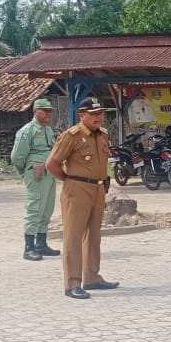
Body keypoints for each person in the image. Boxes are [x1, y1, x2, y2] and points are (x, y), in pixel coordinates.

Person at [45, 97, 119, 299]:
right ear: (82, 115)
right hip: (77, 189)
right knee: (73, 237)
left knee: (94, 236)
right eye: (93, 114)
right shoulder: (72, 136)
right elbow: (52, 164)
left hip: (98, 189)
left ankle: (92, 277)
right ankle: (72, 283)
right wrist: (70, 181)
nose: (99, 117)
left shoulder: (102, 135)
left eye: (101, 113)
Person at [10, 98, 60, 262]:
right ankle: (29, 247)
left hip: (49, 173)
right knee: (35, 207)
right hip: (37, 173)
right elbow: (17, 156)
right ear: (35, 111)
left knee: (47, 208)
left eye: (50, 110)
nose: (48, 113)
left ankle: (41, 244)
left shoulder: (48, 130)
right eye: (44, 110)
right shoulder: (27, 131)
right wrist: (25, 172)